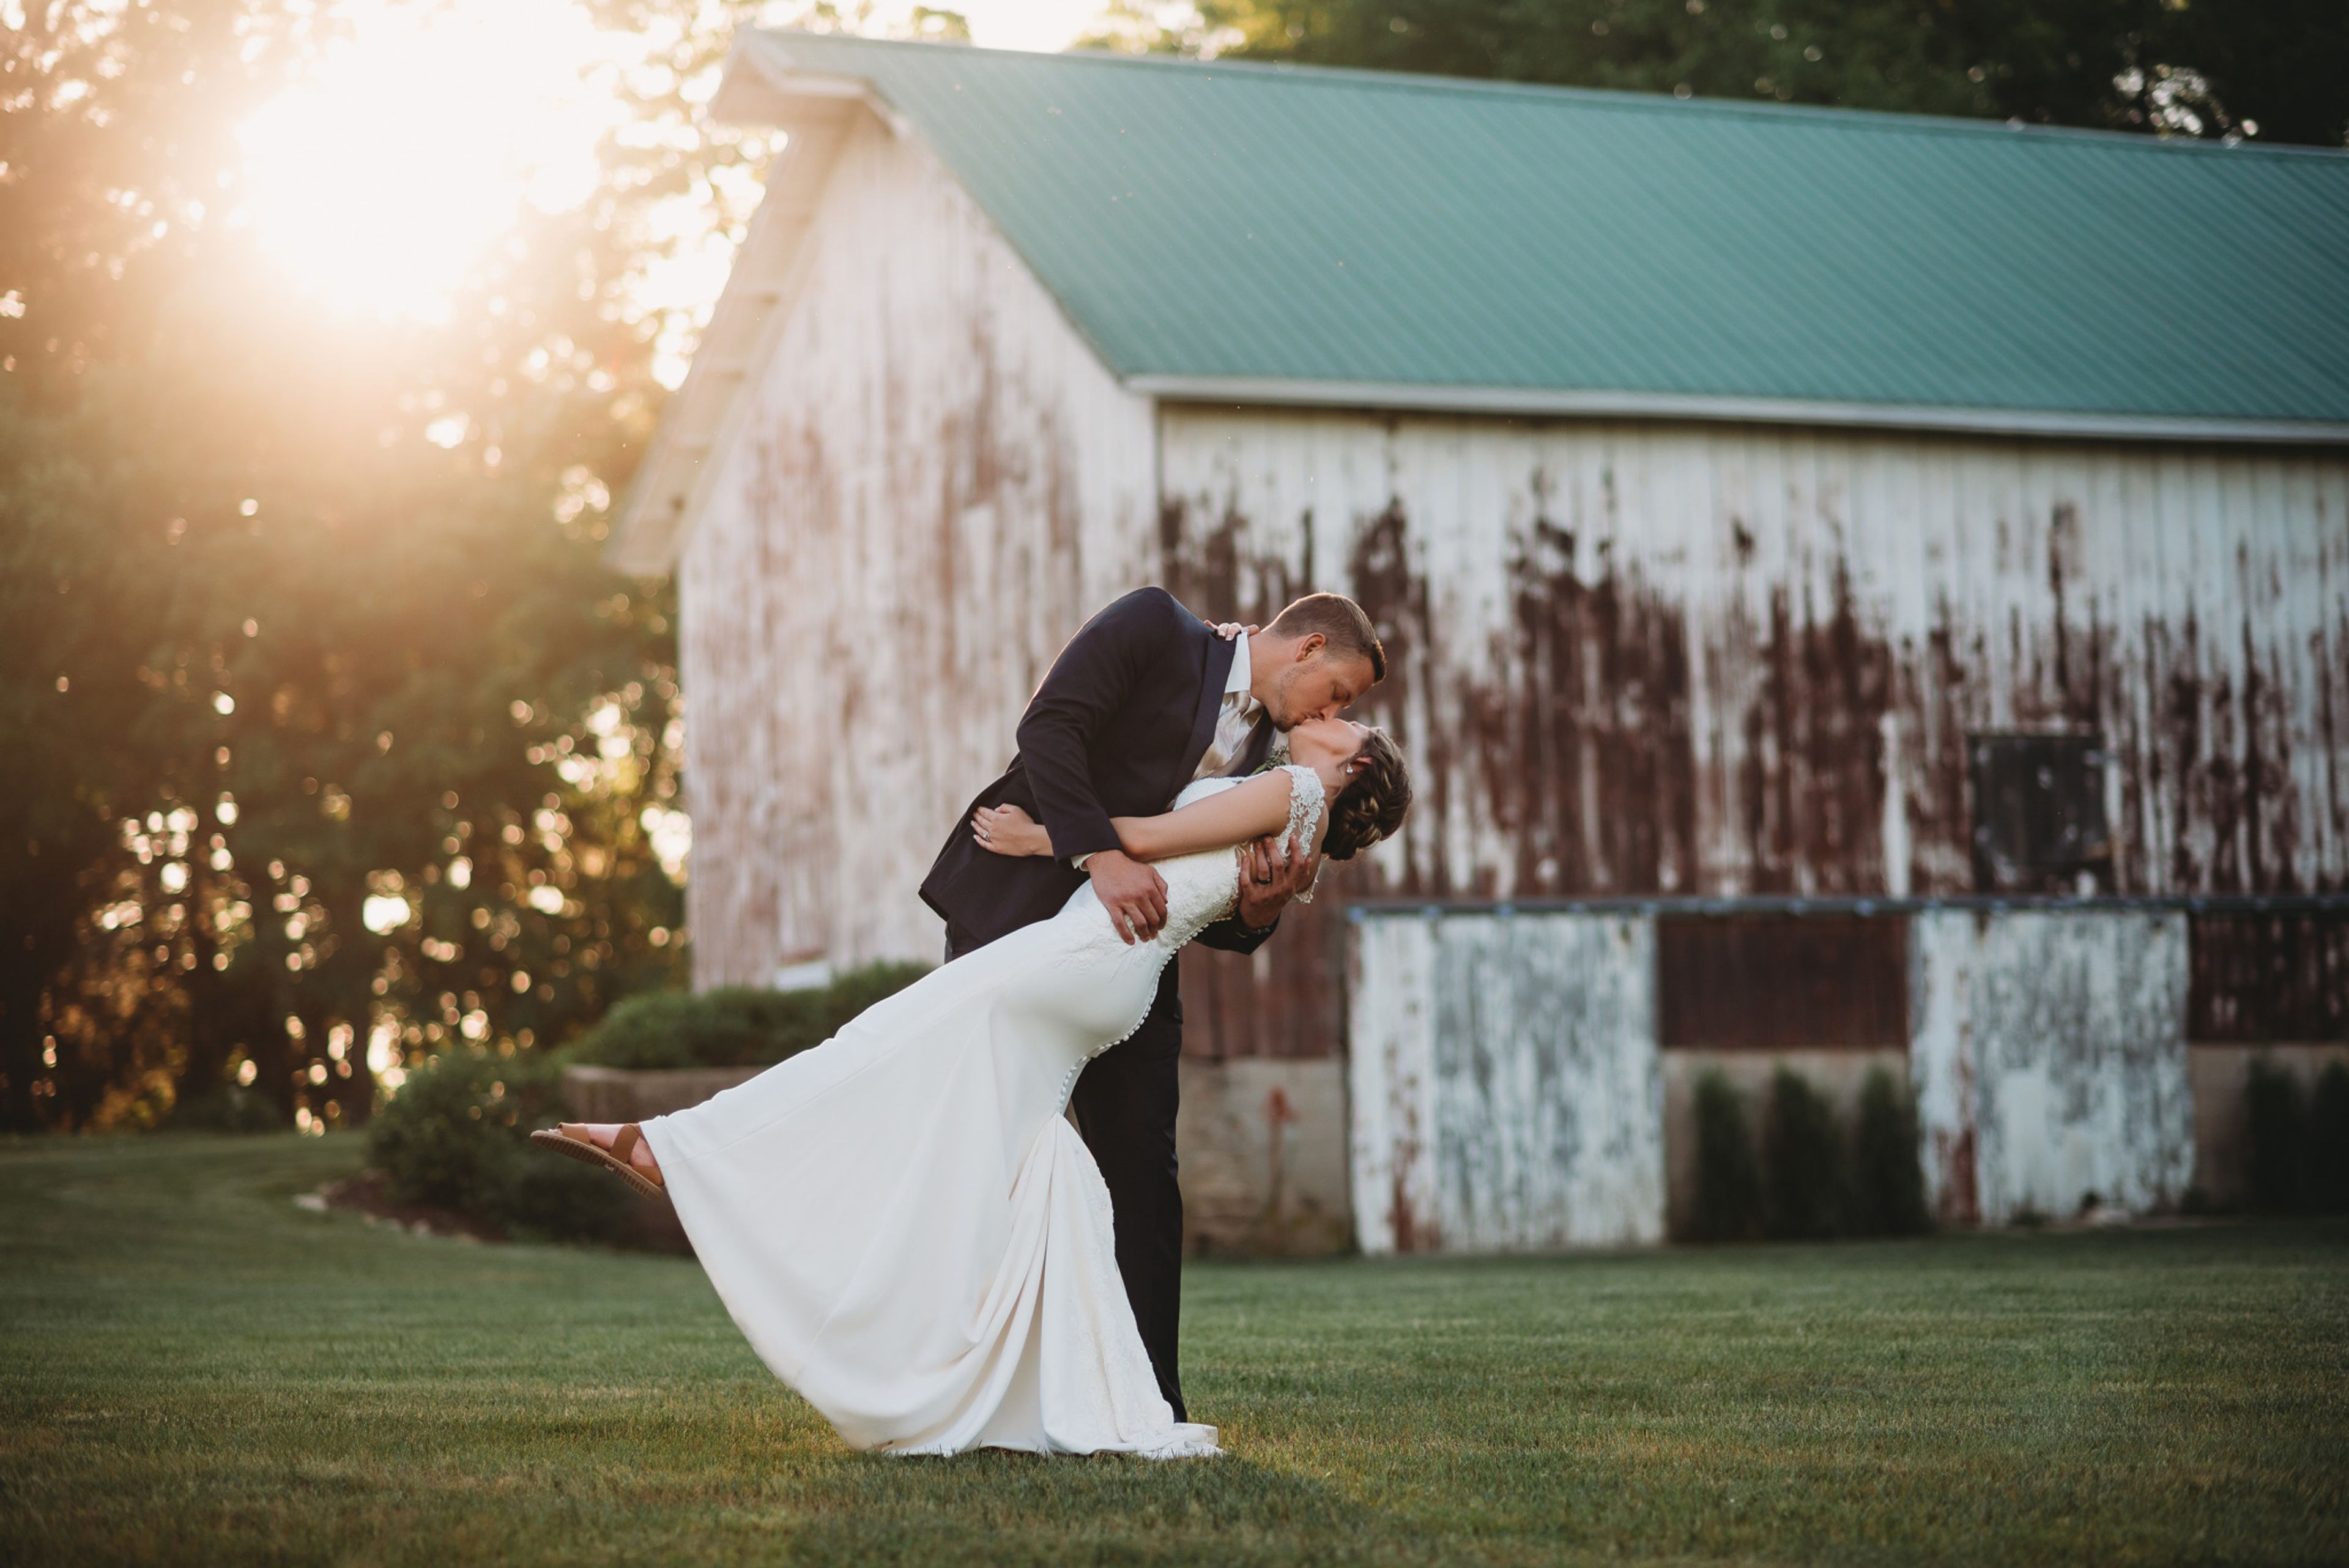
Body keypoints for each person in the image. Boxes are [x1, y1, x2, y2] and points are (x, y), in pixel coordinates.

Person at [533, 591, 1411, 1458]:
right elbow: (1050, 731)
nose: (1334, 711)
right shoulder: (1156, 626)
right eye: (1339, 691)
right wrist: (1091, 856)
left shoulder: (1280, 759)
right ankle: (990, 1378)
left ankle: (1146, 1398)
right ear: (1308, 646)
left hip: (1123, 958)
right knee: (986, 1152)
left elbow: (1215, 891)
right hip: (1027, 919)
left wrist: (1254, 909)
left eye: (1345, 713)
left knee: (1140, 1176)